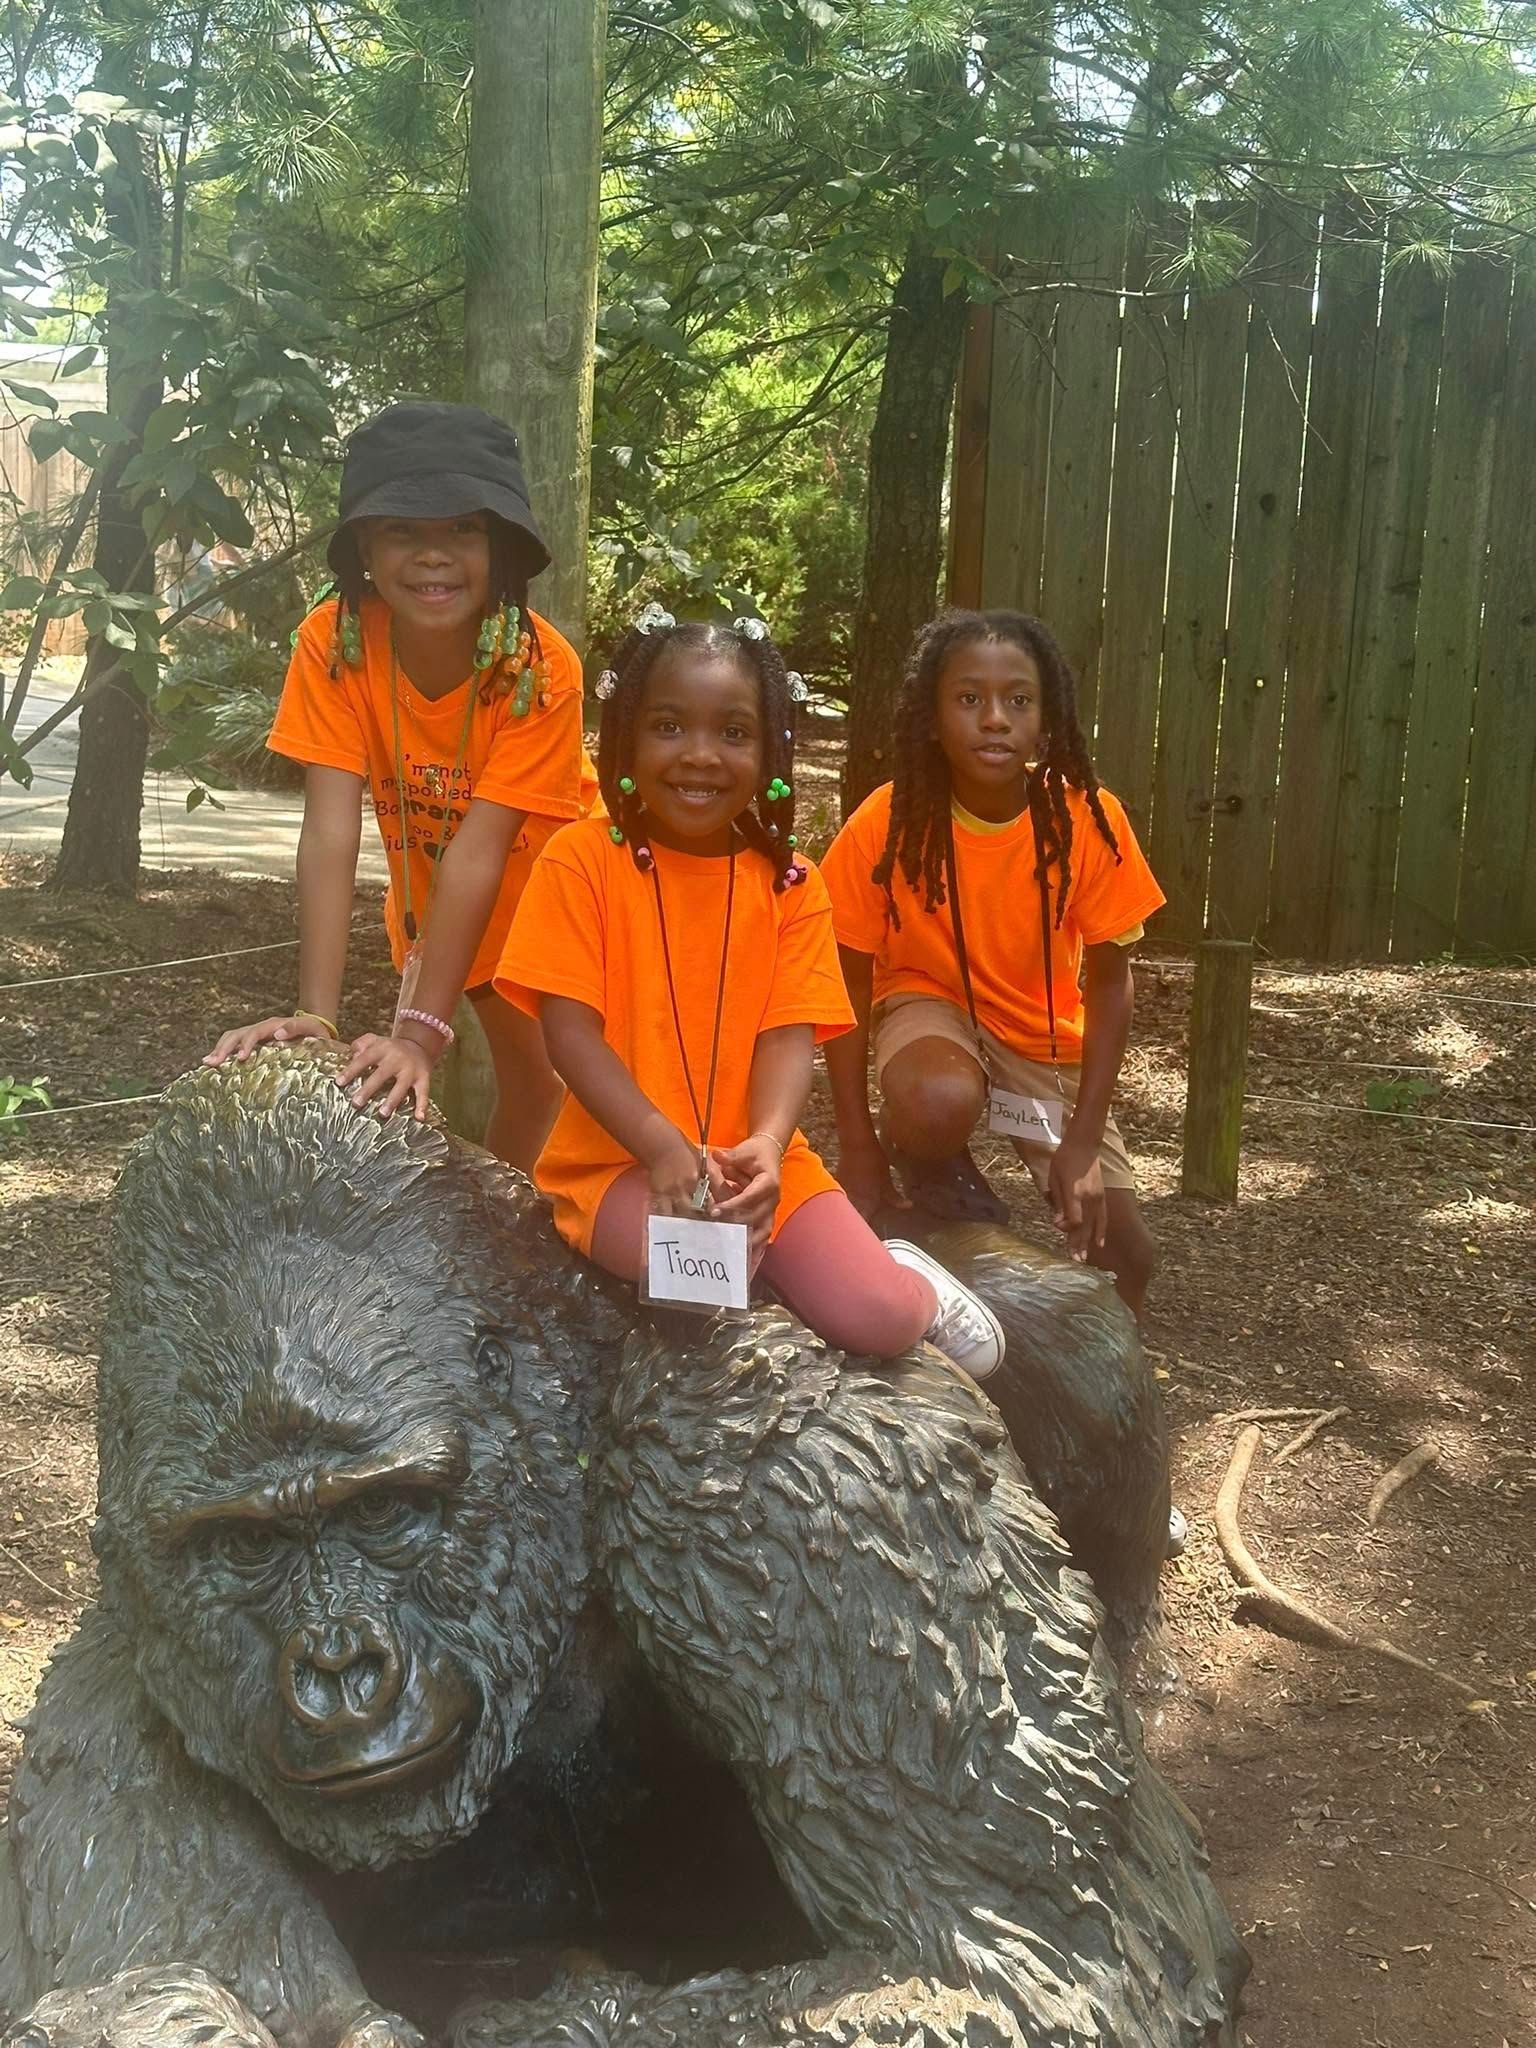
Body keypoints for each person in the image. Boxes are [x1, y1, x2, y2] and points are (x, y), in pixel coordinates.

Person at [495, 607, 1005, 1376]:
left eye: (733, 733)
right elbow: (570, 1034)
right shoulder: (580, 860)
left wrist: (766, 1147)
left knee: (882, 1317)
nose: (700, 756)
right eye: (670, 726)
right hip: (621, 1164)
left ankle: (914, 1281)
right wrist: (663, 1148)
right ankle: (779, 1268)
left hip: (757, 1166)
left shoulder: (792, 885)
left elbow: (788, 1037)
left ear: (771, 750)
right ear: (627, 735)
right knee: (703, 1281)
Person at [204, 401, 594, 1170]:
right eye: (403, 529)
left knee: (550, 1079)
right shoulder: (333, 642)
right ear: (364, 549)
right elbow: (329, 830)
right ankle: (499, 1237)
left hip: (556, 892)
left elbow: (485, 852)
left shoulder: (540, 669)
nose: (433, 555)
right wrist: (315, 1014)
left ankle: (516, 1241)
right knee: (524, 1083)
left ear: (504, 547)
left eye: (463, 529)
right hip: (437, 893)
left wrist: (420, 1030)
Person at [821, 607, 1165, 1320]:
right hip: (930, 1009)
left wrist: (1079, 1140)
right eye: (970, 699)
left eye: (1019, 700)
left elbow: (1109, 982)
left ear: (1047, 718)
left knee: (1127, 1256)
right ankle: (926, 1161)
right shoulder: (886, 823)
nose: (995, 719)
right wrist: (857, 1141)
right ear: (932, 716)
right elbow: (844, 982)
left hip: (1040, 1035)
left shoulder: (1087, 821)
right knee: (937, 1101)